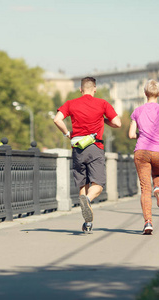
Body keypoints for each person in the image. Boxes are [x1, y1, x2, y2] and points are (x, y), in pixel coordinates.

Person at [54, 77, 121, 233]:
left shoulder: (71, 103)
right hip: (94, 146)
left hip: (78, 148)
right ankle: (88, 200)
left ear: (81, 89)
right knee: (97, 185)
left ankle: (87, 223)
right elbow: (117, 123)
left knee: (83, 184)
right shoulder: (102, 104)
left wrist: (67, 133)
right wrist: (104, 120)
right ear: (94, 89)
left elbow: (57, 119)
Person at [128, 79, 159, 235]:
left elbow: (131, 134)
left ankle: (148, 222)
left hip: (141, 151)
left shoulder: (137, 111)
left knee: (144, 189)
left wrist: (138, 135)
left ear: (145, 93)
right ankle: (158, 188)